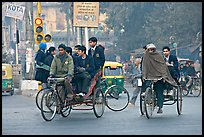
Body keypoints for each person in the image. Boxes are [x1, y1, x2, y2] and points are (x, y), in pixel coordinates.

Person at [142, 43, 177, 113]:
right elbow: (144, 67)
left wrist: (163, 76)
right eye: (149, 50)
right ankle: (147, 97)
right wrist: (143, 75)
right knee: (146, 86)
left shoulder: (158, 56)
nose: (151, 51)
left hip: (159, 76)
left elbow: (163, 67)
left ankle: (160, 106)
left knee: (159, 91)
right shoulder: (145, 57)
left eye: (152, 49)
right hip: (149, 76)